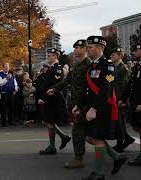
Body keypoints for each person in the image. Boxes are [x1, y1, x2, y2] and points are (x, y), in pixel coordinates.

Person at [82, 36, 126, 180]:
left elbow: (107, 88)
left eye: (90, 47)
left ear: (100, 48)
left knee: (98, 138)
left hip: (102, 107)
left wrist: (94, 108)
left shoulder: (108, 65)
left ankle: (99, 173)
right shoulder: (92, 65)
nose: (87, 50)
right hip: (92, 106)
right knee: (89, 137)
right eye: (87, 47)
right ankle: (117, 157)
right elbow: (88, 88)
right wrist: (79, 105)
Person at [48, 40, 91, 168]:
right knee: (89, 133)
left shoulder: (89, 65)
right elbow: (67, 81)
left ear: (84, 49)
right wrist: (55, 89)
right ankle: (115, 156)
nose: (74, 50)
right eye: (74, 48)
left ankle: (79, 158)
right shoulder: (77, 65)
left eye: (77, 48)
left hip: (85, 104)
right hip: (77, 103)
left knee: (80, 131)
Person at [36, 48, 71, 155]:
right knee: (49, 121)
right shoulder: (50, 68)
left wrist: (44, 98)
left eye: (50, 55)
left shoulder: (58, 69)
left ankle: (53, 145)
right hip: (48, 98)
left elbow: (53, 87)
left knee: (49, 121)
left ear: (55, 56)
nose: (48, 57)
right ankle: (61, 137)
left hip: (52, 98)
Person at [119, 44, 141, 166]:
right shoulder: (137, 66)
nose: (134, 53)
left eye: (136, 51)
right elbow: (130, 85)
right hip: (135, 101)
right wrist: (123, 98)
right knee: (137, 126)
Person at [110, 47, 135, 152]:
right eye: (111, 55)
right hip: (114, 98)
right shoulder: (113, 67)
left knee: (120, 122)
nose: (111, 56)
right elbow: (110, 81)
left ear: (120, 56)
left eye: (113, 55)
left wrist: (123, 101)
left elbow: (125, 86)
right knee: (116, 122)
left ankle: (120, 144)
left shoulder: (123, 68)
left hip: (120, 100)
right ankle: (127, 139)